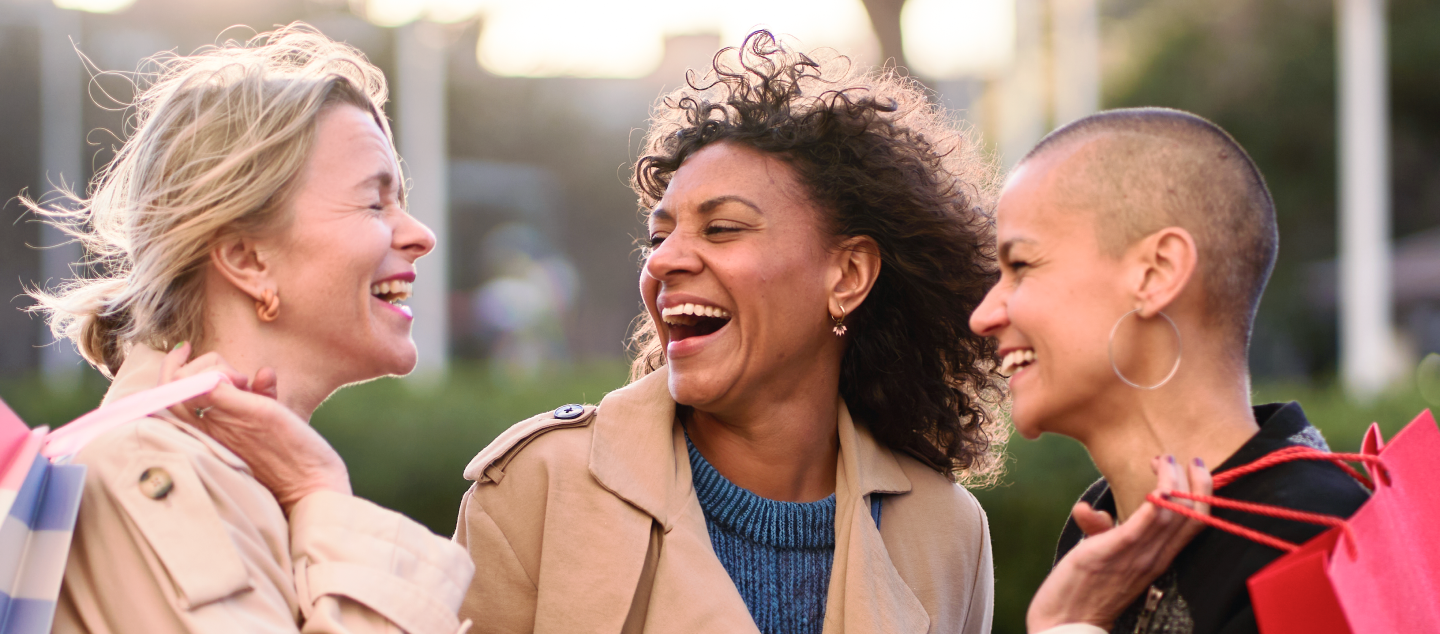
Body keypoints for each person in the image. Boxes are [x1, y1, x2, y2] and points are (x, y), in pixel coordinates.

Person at [452, 32, 1211, 634]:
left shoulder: (946, 532)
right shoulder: (539, 488)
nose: (668, 261)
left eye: (721, 228)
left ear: (847, 275)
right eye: (660, 237)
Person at [27, 24, 474, 633]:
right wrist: (320, 490)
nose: (421, 234)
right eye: (375, 202)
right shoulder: (152, 470)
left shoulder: (204, 468)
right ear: (246, 258)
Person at [968, 107, 1371, 633]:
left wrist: (1069, 624)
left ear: (1156, 274)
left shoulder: (1322, 544)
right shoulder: (1103, 527)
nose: (983, 316)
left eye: (1020, 266)